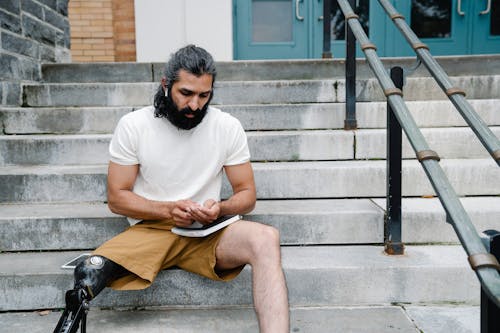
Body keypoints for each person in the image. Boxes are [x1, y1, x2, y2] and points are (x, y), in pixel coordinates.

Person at [59, 44, 289, 333]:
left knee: (266, 238)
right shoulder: (133, 125)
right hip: (151, 228)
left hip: (207, 232)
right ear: (166, 85)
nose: (195, 105)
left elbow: (247, 194)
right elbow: (117, 198)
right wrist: (167, 209)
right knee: (91, 271)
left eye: (204, 95)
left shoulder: (227, 126)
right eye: (186, 94)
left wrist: (221, 208)